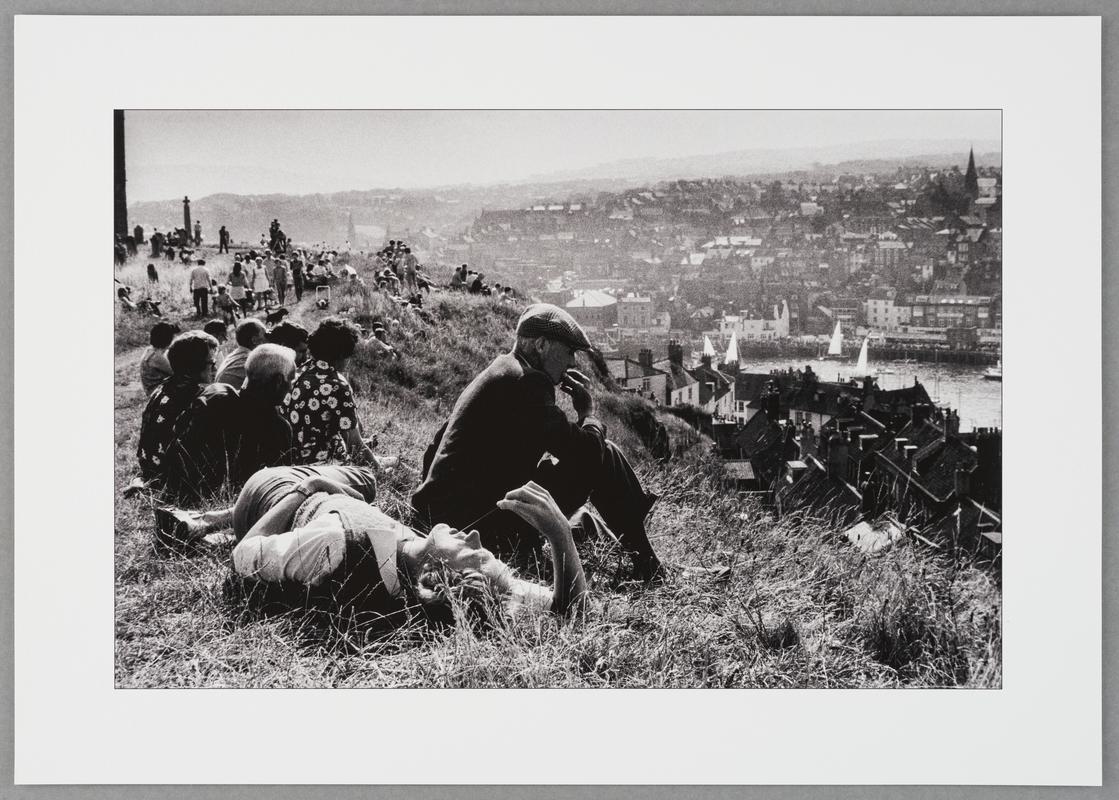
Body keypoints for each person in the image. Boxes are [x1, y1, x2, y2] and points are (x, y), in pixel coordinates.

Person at [412, 303, 663, 578]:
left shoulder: (501, 370)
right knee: (602, 455)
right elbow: (587, 453)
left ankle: (643, 552)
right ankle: (648, 563)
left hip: (445, 518)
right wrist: (588, 413)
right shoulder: (528, 383)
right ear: (541, 345)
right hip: (478, 528)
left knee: (598, 452)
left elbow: (437, 447)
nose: (572, 363)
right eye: (569, 352)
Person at [159, 471, 587, 622]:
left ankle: (207, 520)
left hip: (275, 492)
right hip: (331, 513)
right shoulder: (409, 564)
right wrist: (559, 536)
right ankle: (212, 526)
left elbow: (244, 556)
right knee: (362, 484)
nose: (475, 537)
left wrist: (310, 488)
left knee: (362, 476)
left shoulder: (335, 545)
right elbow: (570, 609)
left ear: (437, 578)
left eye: (475, 555)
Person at [136, 330, 222, 498]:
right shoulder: (197, 397)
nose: (215, 368)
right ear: (194, 365)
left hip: (151, 471)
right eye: (211, 363)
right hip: (177, 485)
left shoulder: (164, 388)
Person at [284, 317, 379, 467]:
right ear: (341, 355)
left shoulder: (297, 373)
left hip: (292, 462)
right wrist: (378, 469)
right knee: (388, 464)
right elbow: (354, 444)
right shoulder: (337, 385)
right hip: (325, 465)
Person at [215, 317, 267, 388]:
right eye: (265, 335)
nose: (266, 339)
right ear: (254, 340)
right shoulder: (251, 361)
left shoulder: (234, 355)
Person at [139, 321, 180, 395]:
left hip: (153, 389)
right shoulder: (157, 357)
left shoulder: (151, 350)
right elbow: (176, 372)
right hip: (156, 393)